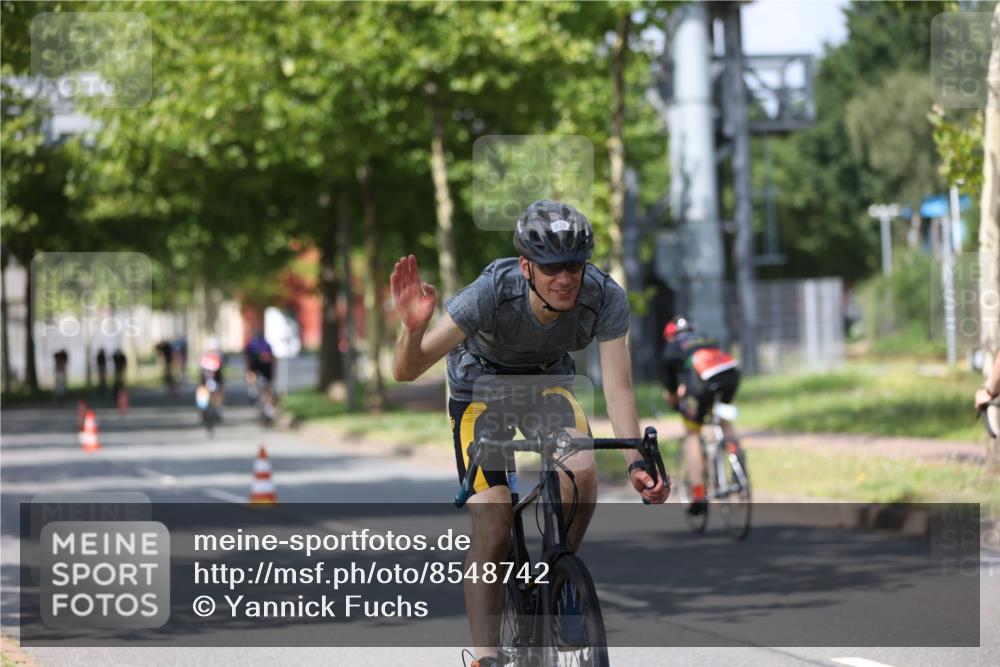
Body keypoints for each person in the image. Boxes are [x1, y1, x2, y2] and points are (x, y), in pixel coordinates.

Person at [390, 199, 669, 667]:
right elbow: (407, 370)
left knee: (581, 473)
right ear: (526, 266)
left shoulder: (604, 296)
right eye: (552, 267)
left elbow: (619, 389)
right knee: (495, 522)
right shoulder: (490, 294)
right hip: (480, 390)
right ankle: (485, 657)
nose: (565, 279)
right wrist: (412, 330)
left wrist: (637, 463)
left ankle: (558, 578)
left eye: (574, 266)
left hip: (547, 385)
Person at [661, 315, 741, 515]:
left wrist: (673, 399)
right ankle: (735, 456)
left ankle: (698, 493)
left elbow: (671, 385)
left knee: (692, 433)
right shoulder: (707, 337)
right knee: (722, 416)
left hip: (702, 381)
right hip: (730, 375)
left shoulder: (672, 347)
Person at [244, 329, 275, 412]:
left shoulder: (251, 344)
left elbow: (247, 358)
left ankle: (252, 389)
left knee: (251, 374)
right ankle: (269, 407)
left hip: (255, 365)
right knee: (267, 387)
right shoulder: (267, 345)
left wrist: (248, 369)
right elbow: (272, 359)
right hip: (267, 367)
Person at [198, 337, 226, 412]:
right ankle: (202, 406)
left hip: (215, 378)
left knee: (219, 390)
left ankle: (217, 407)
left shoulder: (219, 357)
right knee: (202, 389)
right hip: (206, 379)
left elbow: (219, 373)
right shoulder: (205, 357)